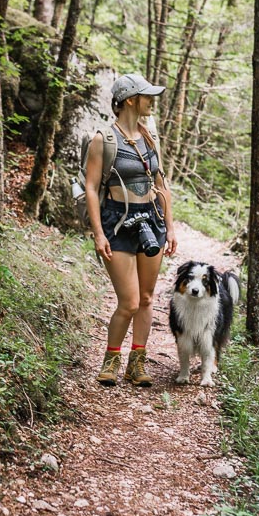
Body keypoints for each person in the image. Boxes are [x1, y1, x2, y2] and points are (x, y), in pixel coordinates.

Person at [84, 72, 177, 387]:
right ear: (130, 100)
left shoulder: (150, 136)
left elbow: (161, 183)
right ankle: (110, 361)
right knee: (129, 301)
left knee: (147, 298)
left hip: (151, 220)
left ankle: (136, 365)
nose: (152, 101)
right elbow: (92, 189)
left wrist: (171, 227)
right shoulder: (103, 140)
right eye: (147, 96)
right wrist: (98, 233)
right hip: (117, 223)